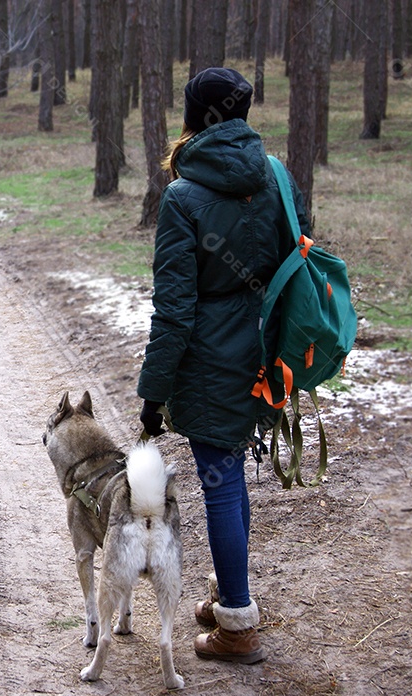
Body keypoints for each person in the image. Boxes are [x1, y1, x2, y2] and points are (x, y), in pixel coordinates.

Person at [137, 67, 311, 664]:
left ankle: (237, 626)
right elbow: (297, 255)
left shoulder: (183, 197)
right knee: (229, 477)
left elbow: (174, 310)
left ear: (194, 116)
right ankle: (228, 594)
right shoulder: (278, 175)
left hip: (211, 359)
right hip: (266, 352)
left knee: (221, 481)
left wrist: (153, 393)